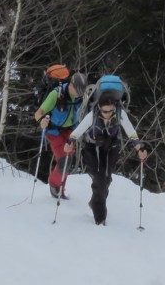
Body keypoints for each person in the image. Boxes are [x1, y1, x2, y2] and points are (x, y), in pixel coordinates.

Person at [65, 89, 149, 225]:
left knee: (107, 179)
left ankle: (95, 202)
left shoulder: (120, 114)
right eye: (105, 111)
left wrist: (140, 148)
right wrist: (70, 142)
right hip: (92, 148)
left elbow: (131, 132)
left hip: (111, 148)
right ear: (99, 108)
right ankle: (100, 217)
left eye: (111, 111)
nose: (108, 114)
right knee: (99, 181)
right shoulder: (92, 115)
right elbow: (77, 131)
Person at [34, 71, 87, 199]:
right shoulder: (56, 94)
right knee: (65, 160)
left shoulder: (81, 97)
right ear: (70, 85)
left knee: (68, 160)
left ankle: (61, 190)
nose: (79, 94)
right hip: (54, 131)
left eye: (81, 92)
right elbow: (39, 112)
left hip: (70, 132)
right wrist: (42, 121)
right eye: (77, 90)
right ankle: (54, 185)